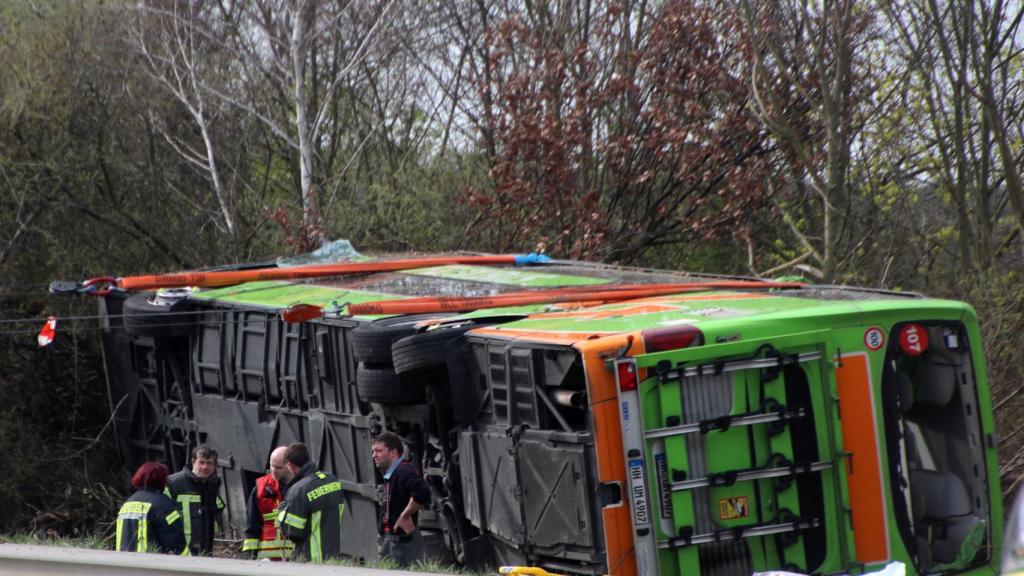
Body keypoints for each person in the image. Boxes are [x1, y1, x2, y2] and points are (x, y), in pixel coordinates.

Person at [277, 442, 346, 563]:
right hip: (333, 559)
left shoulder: (298, 491)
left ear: (290, 465)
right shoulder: (333, 481)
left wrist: (283, 510)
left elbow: (292, 532)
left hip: (311, 562)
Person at [372, 431, 430, 567]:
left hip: (405, 543)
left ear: (393, 453)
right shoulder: (391, 474)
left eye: (379, 451)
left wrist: (405, 515)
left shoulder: (403, 471)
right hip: (391, 542)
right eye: (374, 451)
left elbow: (422, 493)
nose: (374, 455)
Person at [165, 445, 225, 556]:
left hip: (205, 549)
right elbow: (163, 514)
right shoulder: (174, 483)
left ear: (214, 466)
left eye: (209, 463)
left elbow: (217, 509)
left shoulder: (212, 485)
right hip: (180, 550)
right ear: (193, 462)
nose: (205, 467)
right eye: (201, 462)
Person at [115, 462, 185, 554]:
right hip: (152, 563)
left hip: (125, 563)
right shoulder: (164, 505)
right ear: (162, 479)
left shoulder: (128, 503)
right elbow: (175, 542)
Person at [242, 446, 291, 561]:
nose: (273, 470)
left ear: (290, 466)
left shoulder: (301, 488)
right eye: (271, 465)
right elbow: (251, 526)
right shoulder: (260, 489)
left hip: (295, 558)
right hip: (267, 559)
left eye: (278, 467)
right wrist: (252, 556)